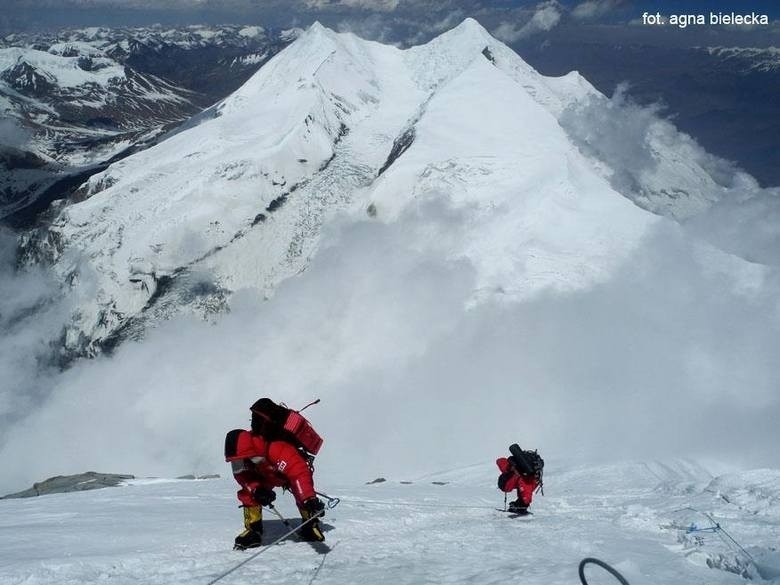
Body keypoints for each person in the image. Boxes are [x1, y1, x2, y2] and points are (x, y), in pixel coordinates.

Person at [224, 409, 326, 550]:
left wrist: (309, 498)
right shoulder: (241, 456)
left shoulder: (278, 449)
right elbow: (241, 475)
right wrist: (256, 489)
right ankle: (253, 530)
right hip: (266, 475)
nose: (238, 464)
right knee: (249, 495)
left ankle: (309, 525)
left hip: (285, 474)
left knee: (302, 495)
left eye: (240, 460)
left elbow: (299, 473)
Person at [496, 443, 544, 515]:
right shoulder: (516, 473)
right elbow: (500, 461)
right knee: (523, 489)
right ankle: (519, 506)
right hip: (534, 478)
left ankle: (519, 506)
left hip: (531, 478)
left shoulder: (514, 473)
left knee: (523, 488)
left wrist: (525, 502)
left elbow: (499, 461)